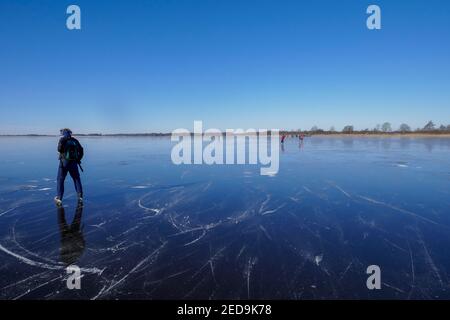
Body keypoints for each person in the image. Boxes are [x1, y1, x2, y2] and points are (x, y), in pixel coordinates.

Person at [54, 128, 84, 206]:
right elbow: (81, 150)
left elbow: (59, 149)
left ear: (63, 133)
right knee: (76, 179)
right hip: (74, 162)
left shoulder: (62, 139)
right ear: (70, 133)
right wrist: (78, 159)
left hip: (64, 163)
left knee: (60, 179)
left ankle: (59, 198)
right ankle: (80, 197)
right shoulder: (75, 140)